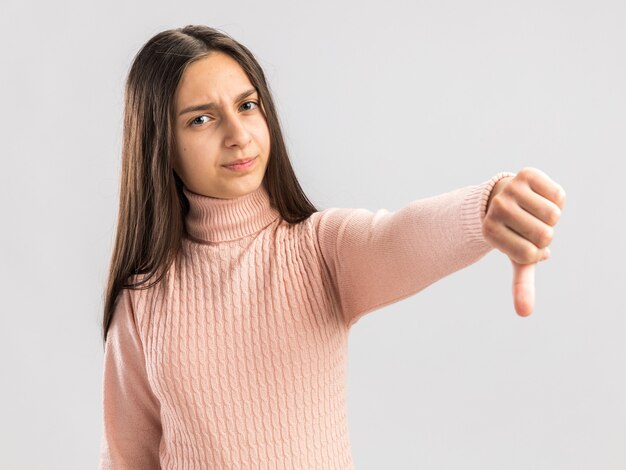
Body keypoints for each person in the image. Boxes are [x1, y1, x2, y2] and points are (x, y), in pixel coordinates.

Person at [98, 24, 566, 469]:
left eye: (247, 106)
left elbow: (401, 237)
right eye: (201, 119)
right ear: (162, 145)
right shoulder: (142, 300)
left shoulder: (319, 252)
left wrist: (488, 204)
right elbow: (126, 460)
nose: (238, 134)